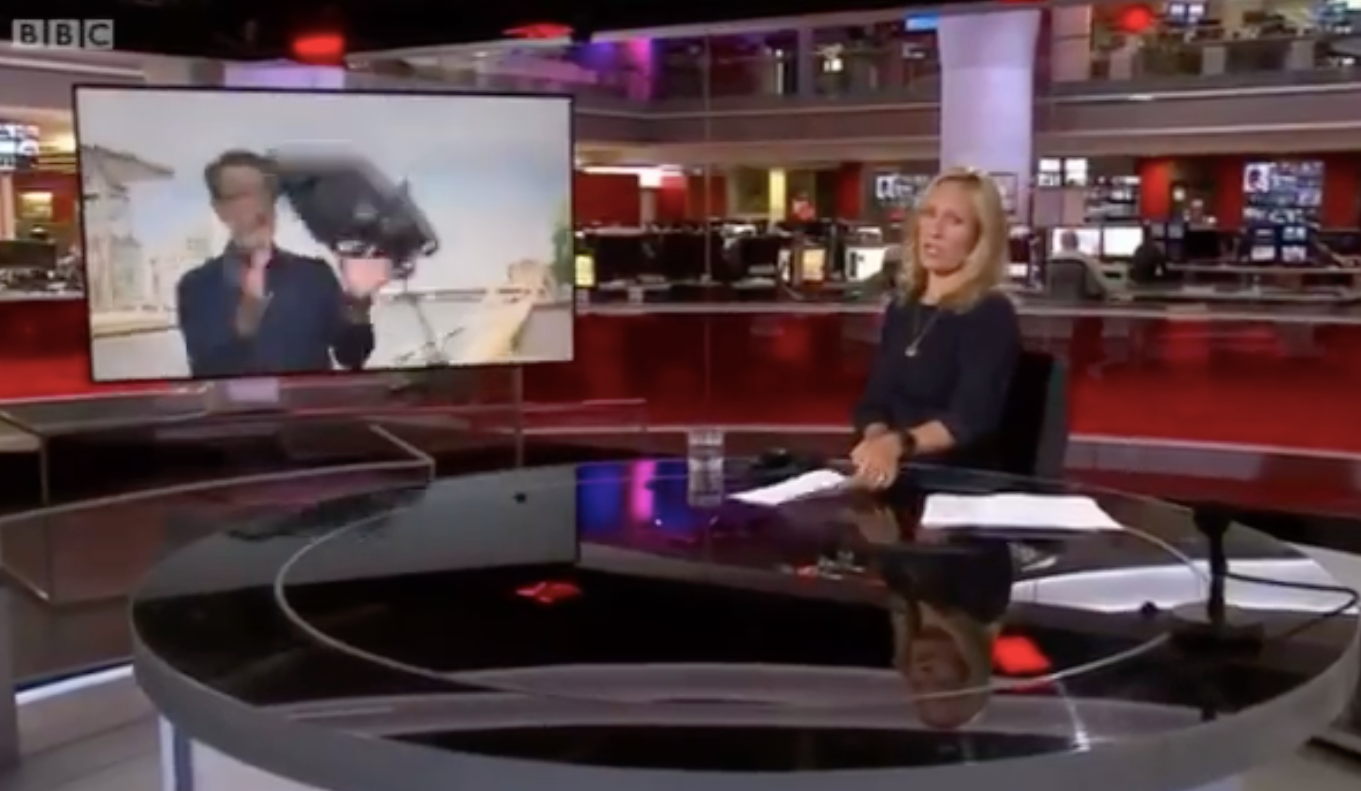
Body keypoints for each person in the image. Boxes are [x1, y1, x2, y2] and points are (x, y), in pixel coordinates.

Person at [850, 167, 1021, 486]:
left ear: (979, 238)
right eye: (929, 214)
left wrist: (897, 444)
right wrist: (876, 446)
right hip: (893, 474)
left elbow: (968, 420)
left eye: (954, 220)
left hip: (958, 483)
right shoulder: (902, 308)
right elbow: (873, 403)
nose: (935, 230)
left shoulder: (991, 312)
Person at [175, 149, 394, 378]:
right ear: (220, 209)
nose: (258, 206)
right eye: (243, 195)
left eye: (264, 193)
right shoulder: (197, 286)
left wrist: (358, 310)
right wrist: (244, 326)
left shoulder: (315, 276)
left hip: (308, 403)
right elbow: (205, 370)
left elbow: (351, 356)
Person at [1047, 229, 1112, 300]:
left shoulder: (1050, 260)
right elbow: (1101, 284)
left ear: (1061, 242)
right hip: (1082, 304)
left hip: (1054, 304)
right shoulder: (1085, 259)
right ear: (1077, 242)